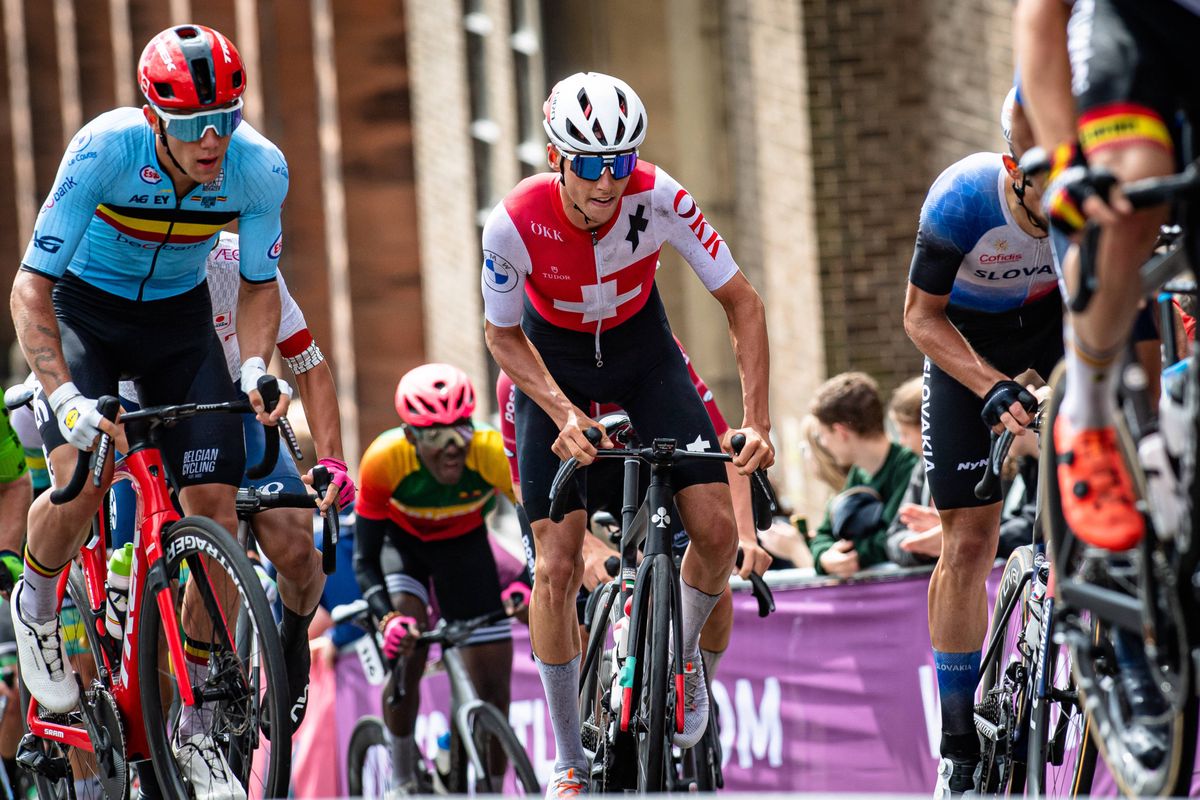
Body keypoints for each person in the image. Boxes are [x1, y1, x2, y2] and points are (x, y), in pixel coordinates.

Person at [8, 24, 291, 799]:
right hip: (84, 315)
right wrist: (63, 396)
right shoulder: (102, 150)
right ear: (153, 116)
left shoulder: (259, 170)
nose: (212, 141)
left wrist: (259, 365)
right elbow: (30, 288)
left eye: (226, 119)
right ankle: (35, 601)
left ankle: (196, 725)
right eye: (194, 125)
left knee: (215, 515)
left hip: (178, 326)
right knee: (85, 476)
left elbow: (261, 285)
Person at [481, 71, 773, 797]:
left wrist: (758, 420)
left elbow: (742, 303)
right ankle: (569, 761)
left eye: (621, 162)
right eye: (589, 164)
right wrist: (558, 409)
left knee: (713, 534)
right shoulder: (513, 221)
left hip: (646, 359)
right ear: (557, 159)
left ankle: (685, 669)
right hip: (557, 371)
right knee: (553, 566)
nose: (608, 182)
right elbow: (502, 335)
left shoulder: (662, 195)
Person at [111, 230, 354, 732]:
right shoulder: (125, 261)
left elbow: (308, 361)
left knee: (292, 544)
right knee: (131, 605)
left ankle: (290, 641)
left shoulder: (238, 263)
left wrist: (333, 460)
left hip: (230, 407)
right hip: (140, 414)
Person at [903, 89, 1060, 796]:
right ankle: (959, 737)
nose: (1062, 198)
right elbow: (920, 317)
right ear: (1011, 168)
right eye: (1044, 182)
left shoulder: (1094, 198)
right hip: (964, 339)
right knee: (968, 544)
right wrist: (990, 384)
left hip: (1056, 324)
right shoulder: (963, 199)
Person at [1014, 0, 1200, 550]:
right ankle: (1088, 415)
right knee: (1126, 192)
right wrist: (1069, 162)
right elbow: (1041, 11)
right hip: (1136, 29)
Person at [495, 336, 771, 689]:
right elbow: (522, 484)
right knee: (561, 585)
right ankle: (577, 728)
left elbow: (722, 445)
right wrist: (588, 548)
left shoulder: (656, 345)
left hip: (638, 469)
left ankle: (694, 692)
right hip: (565, 479)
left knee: (717, 590)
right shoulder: (521, 369)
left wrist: (744, 536)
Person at [353, 363, 522, 797]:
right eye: (433, 434)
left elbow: (539, 530)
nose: (451, 447)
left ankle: (491, 788)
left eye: (459, 430)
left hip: (465, 547)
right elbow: (365, 559)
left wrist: (525, 581)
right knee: (409, 636)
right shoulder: (382, 460)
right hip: (402, 550)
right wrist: (386, 619)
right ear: (410, 437)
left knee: (493, 685)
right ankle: (403, 777)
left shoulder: (490, 451)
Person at [805, 372, 919, 577]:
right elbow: (824, 534)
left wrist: (851, 554)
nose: (823, 444)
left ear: (841, 432)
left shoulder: (909, 467)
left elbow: (891, 537)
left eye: (822, 435)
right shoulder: (858, 473)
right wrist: (824, 557)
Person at [885, 376, 942, 567]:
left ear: (928, 427)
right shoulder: (923, 467)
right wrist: (923, 546)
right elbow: (894, 536)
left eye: (905, 433)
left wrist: (954, 537)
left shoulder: (983, 461)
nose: (901, 442)